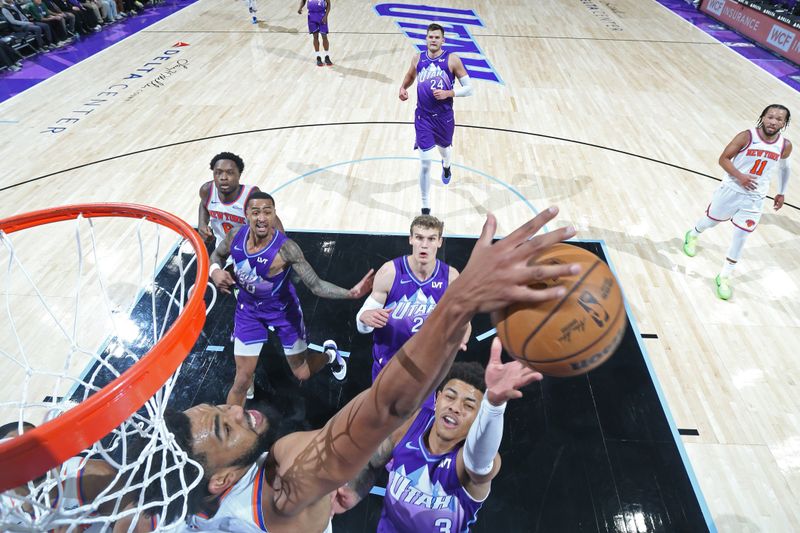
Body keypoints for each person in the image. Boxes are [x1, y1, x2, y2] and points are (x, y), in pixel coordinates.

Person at [147, 207, 578, 532]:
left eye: (218, 408)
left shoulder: (262, 464)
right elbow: (375, 409)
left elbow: (379, 445)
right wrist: (448, 306)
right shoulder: (288, 492)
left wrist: (457, 320)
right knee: (384, 430)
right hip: (394, 375)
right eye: (225, 428)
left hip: (416, 380)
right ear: (221, 478)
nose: (236, 409)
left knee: (388, 440)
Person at [333, 339, 540, 532]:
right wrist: (352, 492)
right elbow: (372, 464)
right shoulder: (409, 426)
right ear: (436, 399)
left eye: (468, 405)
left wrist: (494, 406)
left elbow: (479, 463)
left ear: (478, 420)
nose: (455, 408)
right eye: (450, 396)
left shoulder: (471, 462)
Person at [209, 191, 375, 406]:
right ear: (247, 214)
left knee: (302, 373)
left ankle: (331, 355)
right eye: (256, 212)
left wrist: (350, 293)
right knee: (240, 380)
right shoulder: (235, 236)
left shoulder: (287, 249)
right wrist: (215, 271)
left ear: (274, 215)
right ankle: (228, 429)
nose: (261, 218)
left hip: (282, 312)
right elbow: (217, 255)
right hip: (248, 311)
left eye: (267, 212)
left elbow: (316, 285)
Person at [356, 214, 470, 408]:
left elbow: (464, 323)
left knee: (415, 431)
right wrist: (364, 318)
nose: (424, 245)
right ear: (410, 239)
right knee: (380, 429)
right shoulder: (390, 272)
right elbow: (363, 321)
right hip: (387, 366)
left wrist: (462, 338)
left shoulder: (451, 278)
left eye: (431, 239)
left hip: (425, 371)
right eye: (419, 237)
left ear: (439, 242)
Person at [682, 104, 792, 300]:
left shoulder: (784, 145)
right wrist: (740, 176)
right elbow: (723, 159)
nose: (773, 122)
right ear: (763, 117)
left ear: (784, 123)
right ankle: (693, 234)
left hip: (755, 198)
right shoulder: (747, 136)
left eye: (778, 119)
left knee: (741, 236)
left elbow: (784, 168)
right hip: (731, 190)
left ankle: (724, 276)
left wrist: (781, 192)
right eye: (770, 117)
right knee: (712, 221)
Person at [399, 23, 473, 215]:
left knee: (445, 150)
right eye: (430, 37)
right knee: (424, 163)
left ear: (443, 40)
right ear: (426, 39)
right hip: (423, 117)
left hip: (444, 117)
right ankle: (425, 206)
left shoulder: (452, 60)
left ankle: (447, 166)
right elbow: (409, 75)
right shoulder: (418, 58)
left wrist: (450, 92)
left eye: (437, 37)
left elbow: (469, 88)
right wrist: (403, 87)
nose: (433, 40)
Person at [198, 151, 285, 251]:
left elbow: (275, 224)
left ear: (239, 175)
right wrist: (202, 223)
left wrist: (279, 251)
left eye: (230, 173)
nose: (223, 178)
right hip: (222, 248)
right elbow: (204, 204)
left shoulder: (251, 197)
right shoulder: (207, 190)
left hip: (249, 250)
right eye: (218, 172)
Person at [297, 0, 331, 67]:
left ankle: (327, 56)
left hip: (321, 15)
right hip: (311, 16)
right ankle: (318, 57)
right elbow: (303, 1)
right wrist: (300, 7)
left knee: (324, 36)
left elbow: (329, 4)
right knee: (315, 36)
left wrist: (326, 16)